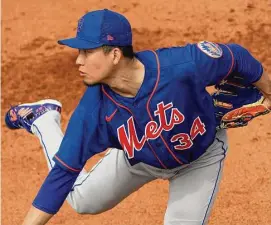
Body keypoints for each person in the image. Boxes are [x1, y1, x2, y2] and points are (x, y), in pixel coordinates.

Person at [5, 8, 271, 225]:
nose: (78, 61)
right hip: (138, 159)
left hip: (200, 159)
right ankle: (44, 119)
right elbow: (63, 172)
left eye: (87, 52)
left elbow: (236, 57)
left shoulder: (182, 66)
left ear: (115, 54)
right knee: (83, 200)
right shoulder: (92, 111)